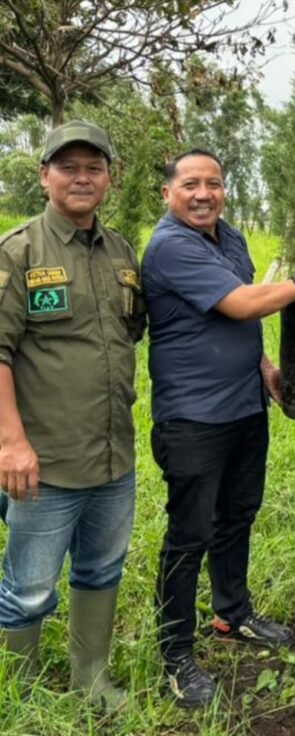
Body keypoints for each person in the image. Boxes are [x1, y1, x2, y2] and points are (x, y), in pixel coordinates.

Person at [142, 149, 295, 708]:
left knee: (237, 517)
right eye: (190, 184)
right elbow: (241, 305)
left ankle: (232, 615)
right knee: (189, 535)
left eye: (213, 183)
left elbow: (237, 324)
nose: (203, 194)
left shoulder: (228, 238)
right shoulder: (170, 246)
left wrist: (264, 368)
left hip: (244, 407)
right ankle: (176, 655)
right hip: (193, 417)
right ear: (168, 193)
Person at [0, 121, 145, 710]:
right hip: (45, 461)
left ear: (108, 178)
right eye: (68, 167)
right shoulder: (19, 251)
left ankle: (91, 679)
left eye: (94, 168)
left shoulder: (122, 253)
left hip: (113, 455)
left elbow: (135, 333)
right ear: (44, 177)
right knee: (30, 587)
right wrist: (11, 444)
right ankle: (21, 692)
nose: (82, 178)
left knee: (101, 570)